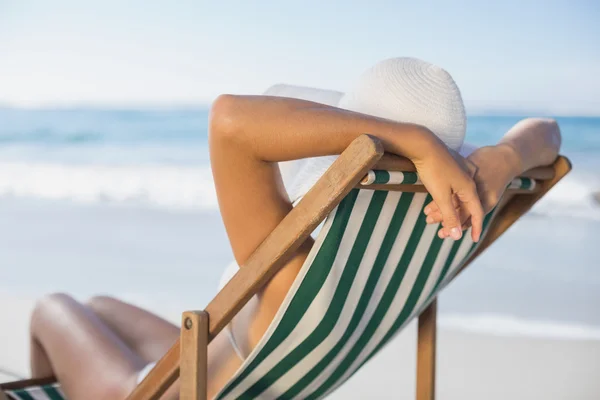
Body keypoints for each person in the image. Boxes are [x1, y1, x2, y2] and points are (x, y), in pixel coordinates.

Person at [26, 58, 561, 400]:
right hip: (233, 372)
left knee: (51, 305)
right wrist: (507, 156)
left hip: (149, 396)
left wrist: (412, 140)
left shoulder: (294, 265)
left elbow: (230, 120)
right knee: (98, 305)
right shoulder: (421, 229)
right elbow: (549, 132)